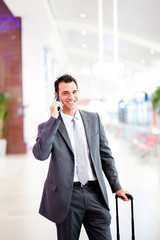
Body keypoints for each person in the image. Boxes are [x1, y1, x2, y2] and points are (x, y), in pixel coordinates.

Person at [32, 74, 130, 240]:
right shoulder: (48, 126)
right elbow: (40, 154)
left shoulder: (93, 119)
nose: (71, 97)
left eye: (74, 91)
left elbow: (105, 155)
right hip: (67, 196)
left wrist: (117, 186)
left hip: (95, 193)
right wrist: (53, 119)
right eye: (65, 93)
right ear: (56, 96)